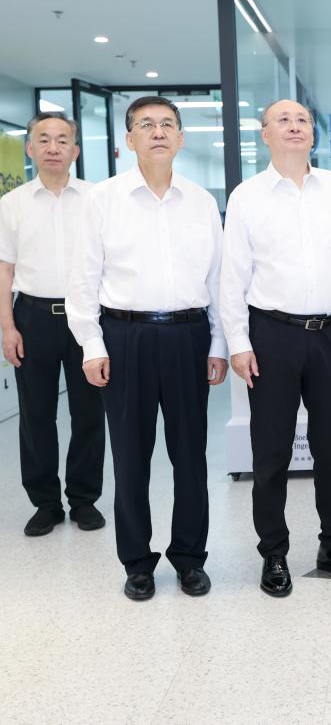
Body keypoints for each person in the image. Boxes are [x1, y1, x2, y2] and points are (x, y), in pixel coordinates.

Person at [66, 96, 227, 601]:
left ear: (180, 137)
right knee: (131, 457)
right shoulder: (103, 200)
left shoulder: (201, 201)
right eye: (146, 124)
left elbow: (218, 279)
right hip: (125, 337)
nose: (158, 132)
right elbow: (82, 279)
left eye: (167, 124)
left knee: (190, 456)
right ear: (128, 140)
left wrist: (219, 342)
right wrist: (92, 345)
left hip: (188, 336)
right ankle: (137, 562)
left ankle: (189, 558)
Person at [220, 99, 331, 598]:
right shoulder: (247, 196)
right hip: (271, 334)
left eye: (303, 120)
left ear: (313, 133)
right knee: (271, 452)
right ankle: (274, 552)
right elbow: (232, 277)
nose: (294, 126)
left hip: (330, 330)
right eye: (283, 120)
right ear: (265, 134)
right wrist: (238, 342)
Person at [0, 112, 105, 537]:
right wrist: (8, 327)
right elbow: (4, 269)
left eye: (63, 140)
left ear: (75, 150)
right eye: (43, 139)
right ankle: (45, 503)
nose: (53, 147)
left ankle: (84, 499)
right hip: (33, 317)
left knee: (89, 412)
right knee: (36, 415)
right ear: (30, 148)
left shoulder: (97, 199)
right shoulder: (12, 204)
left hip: (86, 318)